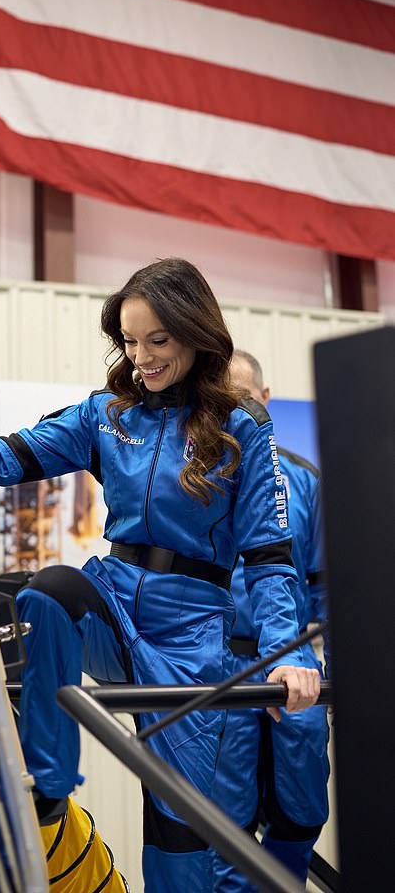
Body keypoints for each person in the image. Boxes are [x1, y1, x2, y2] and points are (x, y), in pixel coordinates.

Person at [0, 258, 321, 892]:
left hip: (191, 642)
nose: (141, 357)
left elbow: (268, 556)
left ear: (194, 333)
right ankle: (50, 787)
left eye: (158, 340)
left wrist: (289, 654)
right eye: (128, 340)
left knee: (179, 841)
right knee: (47, 597)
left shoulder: (242, 427)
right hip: (114, 605)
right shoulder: (104, 414)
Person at [211, 350, 330, 891]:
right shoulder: (192, 478)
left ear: (264, 398)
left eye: (243, 397)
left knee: (301, 801)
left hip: (291, 656)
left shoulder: (303, 482)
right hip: (215, 658)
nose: (234, 409)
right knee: (223, 813)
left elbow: (327, 584)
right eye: (223, 398)